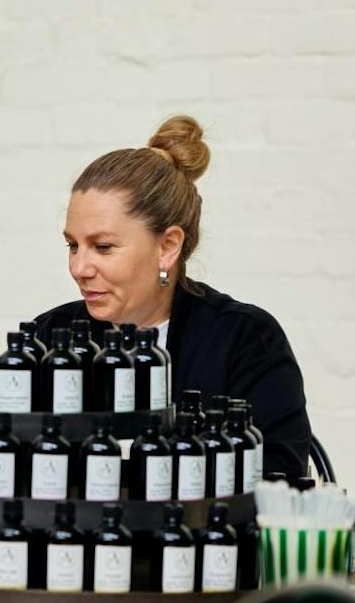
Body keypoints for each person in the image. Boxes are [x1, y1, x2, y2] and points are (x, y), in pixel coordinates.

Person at [32, 115, 312, 483]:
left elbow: (278, 477)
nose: (79, 267)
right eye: (72, 245)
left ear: (167, 247)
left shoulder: (246, 340)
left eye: (102, 247)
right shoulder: (50, 337)